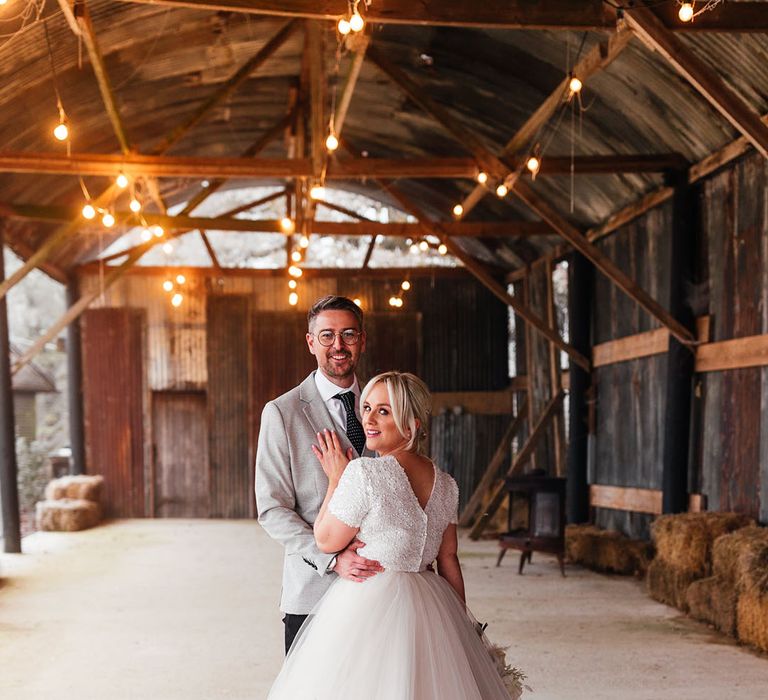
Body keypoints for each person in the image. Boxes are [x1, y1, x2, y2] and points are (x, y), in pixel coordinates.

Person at [267, 371, 517, 699]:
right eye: (367, 407)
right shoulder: (446, 484)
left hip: (369, 602)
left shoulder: (364, 473)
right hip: (431, 603)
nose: (369, 419)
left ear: (411, 424)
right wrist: (461, 627)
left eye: (384, 411)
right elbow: (448, 559)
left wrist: (335, 480)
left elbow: (326, 540)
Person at [255, 295, 384, 655]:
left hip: (384, 595)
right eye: (327, 336)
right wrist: (332, 558)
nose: (338, 346)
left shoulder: (387, 406)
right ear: (311, 342)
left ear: (362, 339)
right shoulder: (282, 413)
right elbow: (272, 509)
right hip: (313, 595)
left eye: (348, 334)